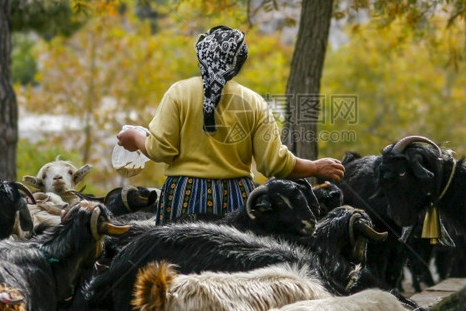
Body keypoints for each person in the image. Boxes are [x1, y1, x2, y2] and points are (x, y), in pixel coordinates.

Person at [117, 25, 345, 225]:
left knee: (176, 270)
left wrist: (135, 138)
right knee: (232, 272)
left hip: (182, 200)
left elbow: (160, 150)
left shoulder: (179, 93)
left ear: (201, 57)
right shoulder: (253, 102)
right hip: (237, 204)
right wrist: (315, 167)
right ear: (238, 63)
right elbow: (273, 163)